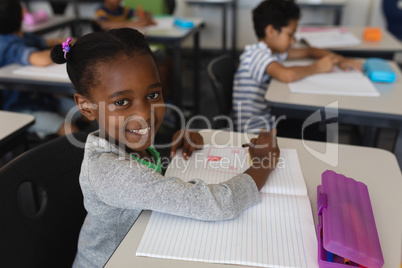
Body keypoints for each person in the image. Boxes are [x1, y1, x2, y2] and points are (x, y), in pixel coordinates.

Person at [50, 27, 280, 268]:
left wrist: (175, 140)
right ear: (86, 107)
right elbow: (216, 204)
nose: (144, 114)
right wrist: (263, 164)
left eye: (153, 95)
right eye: (121, 102)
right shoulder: (109, 171)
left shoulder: (122, 140)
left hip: (144, 238)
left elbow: (144, 171)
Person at [232, 0, 362, 135]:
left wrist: (340, 60)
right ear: (271, 31)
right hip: (257, 131)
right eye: (290, 34)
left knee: (313, 126)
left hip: (270, 119)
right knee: (314, 130)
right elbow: (287, 75)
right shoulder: (256, 54)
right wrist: (317, 67)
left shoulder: (272, 51)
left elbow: (309, 51)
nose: (293, 41)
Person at [0, 0, 80, 138]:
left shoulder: (22, 36)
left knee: (89, 112)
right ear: (20, 15)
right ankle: (83, 156)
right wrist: (65, 47)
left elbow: (46, 42)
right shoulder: (7, 44)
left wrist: (68, 41)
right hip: (23, 109)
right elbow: (40, 59)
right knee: (71, 130)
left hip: (46, 100)